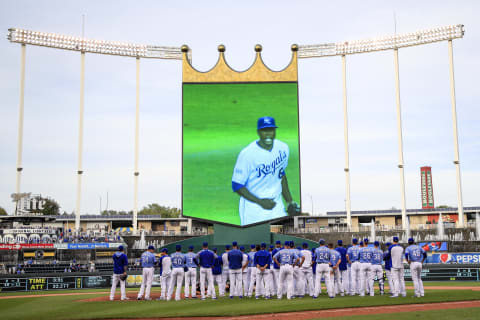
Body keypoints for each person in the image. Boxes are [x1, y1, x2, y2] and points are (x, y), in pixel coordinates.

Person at [231, 117, 299, 226]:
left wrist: (290, 201)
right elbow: (237, 185)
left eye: (271, 130)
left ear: (275, 131)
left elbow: (280, 174)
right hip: (253, 208)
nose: (268, 134)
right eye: (264, 130)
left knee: (279, 237)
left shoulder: (283, 148)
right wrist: (260, 202)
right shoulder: (248, 154)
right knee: (253, 239)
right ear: (258, 132)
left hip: (276, 205)